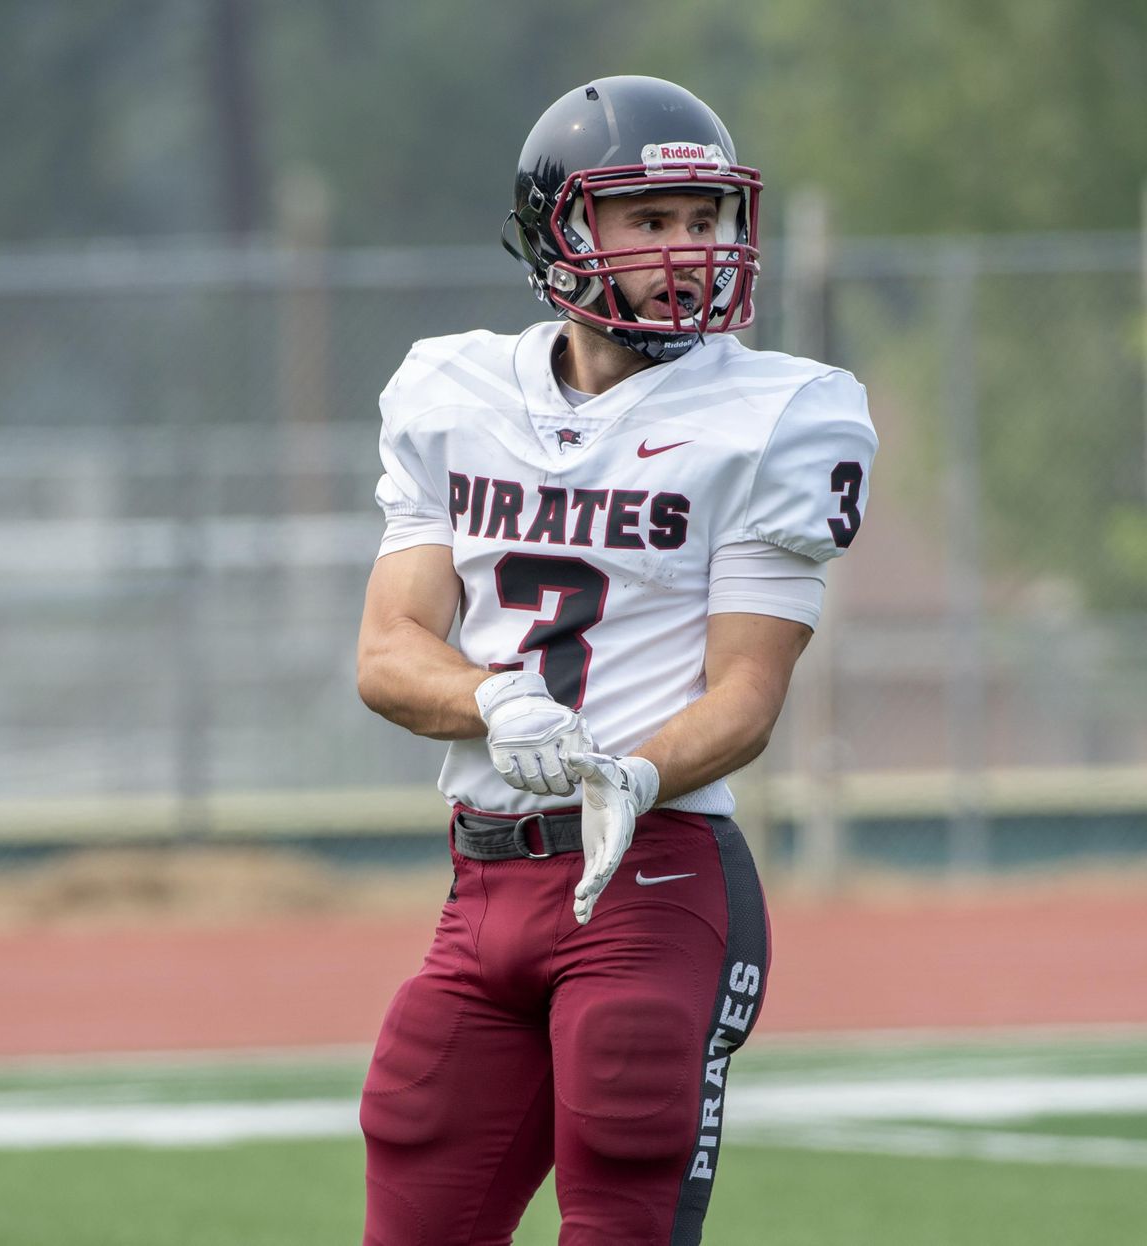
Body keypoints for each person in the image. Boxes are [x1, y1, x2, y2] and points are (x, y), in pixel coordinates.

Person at [355, 74, 877, 1246]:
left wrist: (629, 771)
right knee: (414, 1153)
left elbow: (748, 691)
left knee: (620, 1201)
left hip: (651, 876)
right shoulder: (454, 391)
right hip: (480, 883)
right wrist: (493, 699)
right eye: (648, 220)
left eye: (705, 221)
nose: (688, 251)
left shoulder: (780, 414)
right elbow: (389, 653)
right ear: (560, 234)